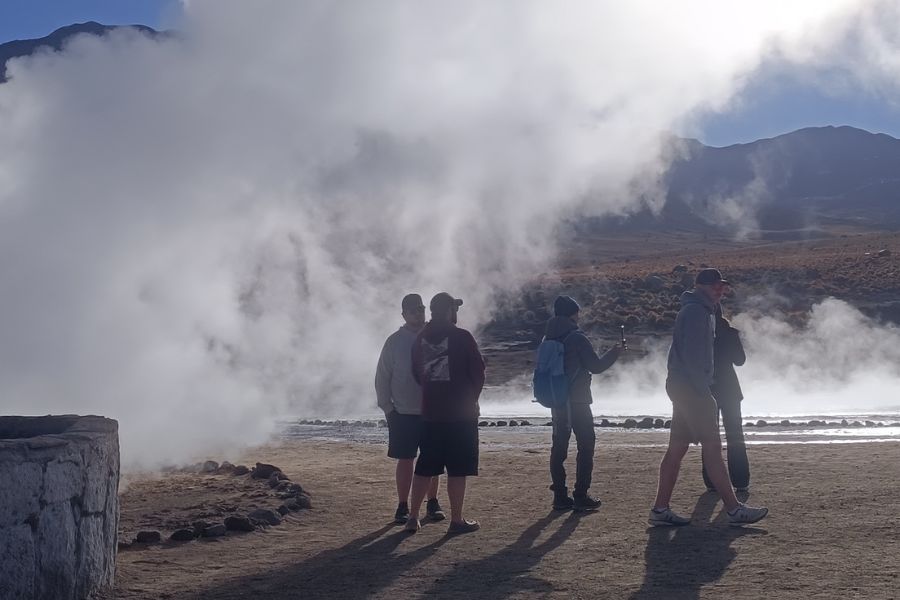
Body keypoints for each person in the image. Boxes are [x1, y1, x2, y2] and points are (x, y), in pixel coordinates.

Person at [649, 268, 768, 527]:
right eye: (715, 285)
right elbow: (693, 356)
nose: (720, 290)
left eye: (722, 286)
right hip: (692, 388)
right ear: (701, 286)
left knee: (677, 449)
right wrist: (705, 390)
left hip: (683, 386)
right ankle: (734, 509)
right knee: (713, 447)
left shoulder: (702, 311)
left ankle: (660, 509)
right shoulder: (696, 312)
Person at [405, 292, 485, 534]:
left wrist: (433, 392)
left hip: (431, 414)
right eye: (455, 309)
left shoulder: (420, 338)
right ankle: (456, 520)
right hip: (461, 415)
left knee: (425, 467)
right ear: (449, 310)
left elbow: (416, 373)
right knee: (458, 469)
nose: (457, 313)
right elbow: (478, 373)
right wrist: (471, 398)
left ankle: (412, 517)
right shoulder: (462, 337)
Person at [545, 295, 621, 512]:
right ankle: (581, 494)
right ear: (572, 313)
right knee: (586, 445)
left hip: (557, 399)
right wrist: (614, 352)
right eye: (577, 312)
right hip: (578, 400)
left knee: (559, 447)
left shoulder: (548, 336)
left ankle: (560, 496)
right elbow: (596, 366)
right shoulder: (576, 337)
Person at [375, 293, 445, 524]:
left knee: (433, 459)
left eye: (421, 308)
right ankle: (402, 505)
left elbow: (444, 373)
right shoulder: (394, 341)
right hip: (402, 413)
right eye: (413, 309)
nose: (419, 312)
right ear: (403, 314)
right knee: (405, 459)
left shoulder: (435, 336)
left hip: (433, 410)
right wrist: (387, 408)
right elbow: (383, 376)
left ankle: (432, 502)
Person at [701, 304, 751, 493]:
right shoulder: (729, 333)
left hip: (707, 389)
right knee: (735, 435)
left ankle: (711, 481)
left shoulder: (700, 334)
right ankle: (740, 480)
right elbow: (740, 360)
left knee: (709, 436)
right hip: (730, 389)